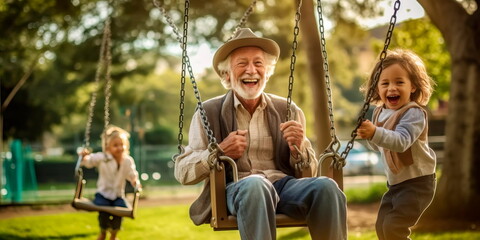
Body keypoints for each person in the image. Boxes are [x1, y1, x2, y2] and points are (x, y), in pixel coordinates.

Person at [174, 28, 346, 240]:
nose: (251, 70)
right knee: (256, 185)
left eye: (258, 63)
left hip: (283, 187)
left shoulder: (289, 110)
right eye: (242, 63)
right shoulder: (207, 112)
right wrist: (218, 152)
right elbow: (182, 171)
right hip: (238, 189)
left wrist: (298, 147)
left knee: (326, 186)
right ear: (227, 74)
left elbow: (308, 170)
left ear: (267, 71)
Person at [357, 49, 436, 240]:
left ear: (413, 87)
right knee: (382, 227)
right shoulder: (379, 112)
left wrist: (375, 133)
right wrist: (370, 137)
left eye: (399, 82)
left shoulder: (414, 113)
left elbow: (401, 142)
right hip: (395, 185)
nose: (392, 88)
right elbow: (381, 146)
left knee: (394, 227)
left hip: (418, 183)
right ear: (377, 89)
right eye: (385, 83)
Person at [79, 125, 141, 240]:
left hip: (118, 195)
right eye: (115, 145)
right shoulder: (103, 157)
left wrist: (135, 181)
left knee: (121, 212)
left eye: (122, 145)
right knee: (103, 212)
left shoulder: (127, 160)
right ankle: (103, 232)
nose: (119, 148)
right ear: (107, 147)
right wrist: (84, 157)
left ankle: (113, 235)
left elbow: (132, 173)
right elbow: (89, 161)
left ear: (126, 146)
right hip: (103, 194)